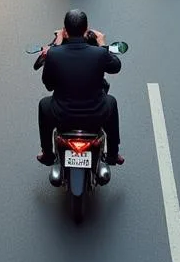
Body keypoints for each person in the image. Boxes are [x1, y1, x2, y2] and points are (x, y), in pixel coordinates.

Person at [36, 9, 123, 167]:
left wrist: (57, 42)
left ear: (65, 30)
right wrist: (102, 43)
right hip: (96, 113)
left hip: (62, 115)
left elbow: (48, 85)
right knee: (112, 101)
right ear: (86, 29)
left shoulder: (54, 55)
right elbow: (116, 66)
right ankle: (113, 154)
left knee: (43, 104)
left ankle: (47, 154)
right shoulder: (99, 53)